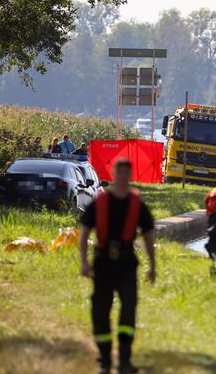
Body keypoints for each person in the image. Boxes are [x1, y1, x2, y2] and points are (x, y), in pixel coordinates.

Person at [79, 158, 156, 374]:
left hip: (127, 264)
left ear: (130, 175)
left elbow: (149, 236)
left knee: (128, 309)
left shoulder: (137, 204)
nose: (122, 176)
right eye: (119, 172)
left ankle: (124, 360)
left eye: (126, 173)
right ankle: (105, 360)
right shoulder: (100, 202)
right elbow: (84, 233)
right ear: (113, 174)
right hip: (103, 263)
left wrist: (152, 266)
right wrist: (84, 263)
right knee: (100, 310)